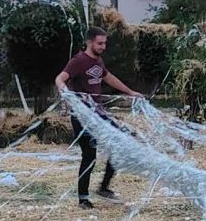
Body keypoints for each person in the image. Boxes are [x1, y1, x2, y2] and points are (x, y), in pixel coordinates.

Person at [54, 26, 143, 209]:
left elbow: (108, 77)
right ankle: (83, 199)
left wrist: (130, 92)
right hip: (82, 117)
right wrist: (65, 92)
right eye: (100, 43)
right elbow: (59, 79)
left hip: (98, 114)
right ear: (89, 42)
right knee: (89, 155)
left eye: (104, 43)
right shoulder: (79, 61)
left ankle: (104, 187)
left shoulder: (98, 61)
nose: (103, 46)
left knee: (119, 143)